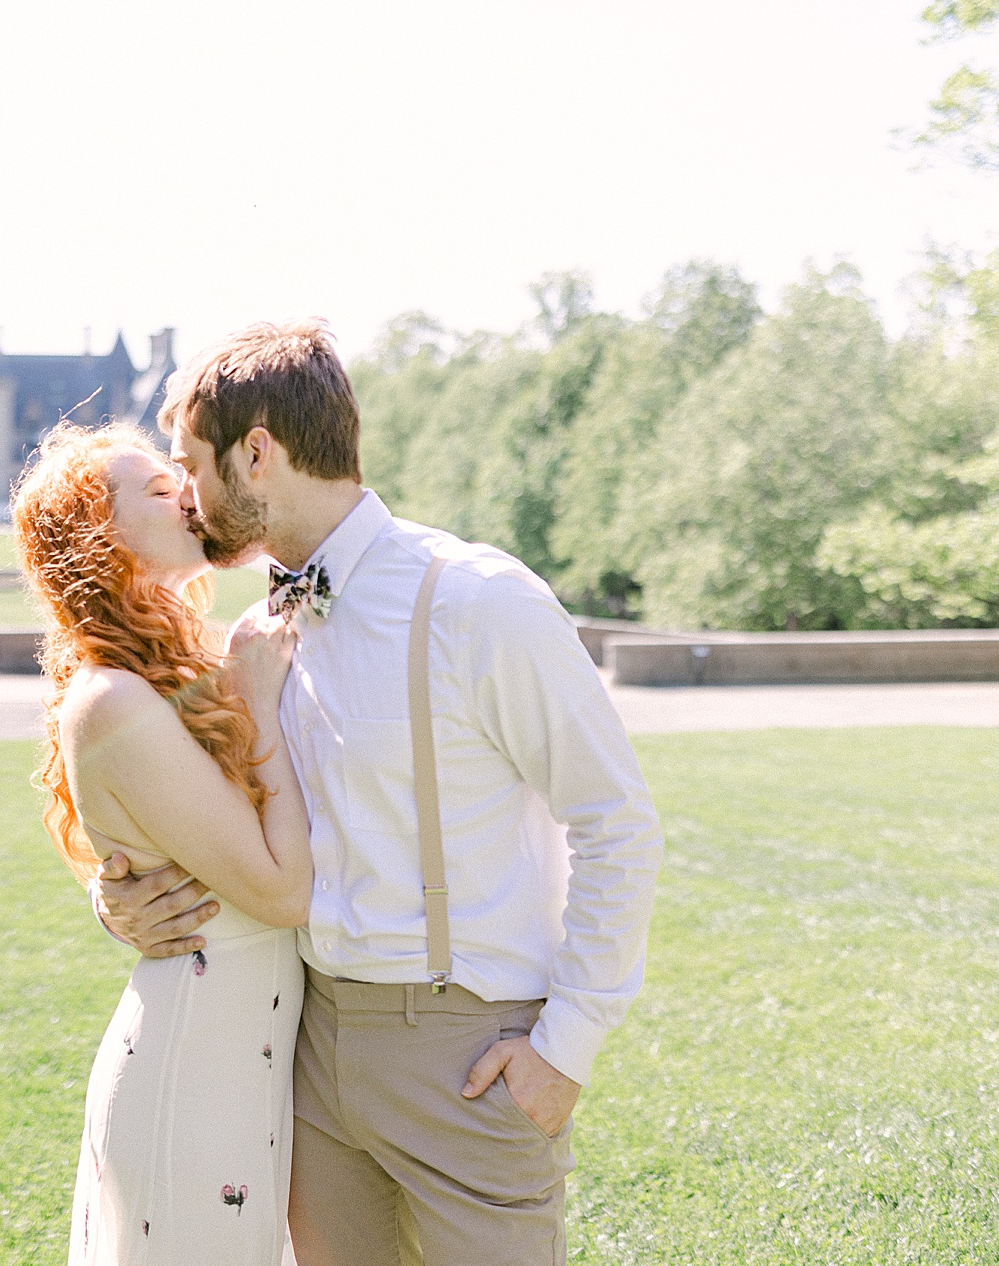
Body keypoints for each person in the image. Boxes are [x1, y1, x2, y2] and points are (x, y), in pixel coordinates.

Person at [94, 321, 664, 1266]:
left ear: (258, 453)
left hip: (467, 1059)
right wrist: (117, 894)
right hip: (307, 1056)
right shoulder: (254, 635)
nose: (186, 499)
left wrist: (566, 1046)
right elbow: (169, 803)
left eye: (191, 465)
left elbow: (616, 821)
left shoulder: (479, 601)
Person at [12, 422, 316, 1266]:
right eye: (155, 488)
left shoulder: (195, 662)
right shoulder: (110, 701)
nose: (188, 489)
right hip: (195, 1073)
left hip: (251, 1062)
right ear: (97, 540)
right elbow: (282, 890)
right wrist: (258, 708)